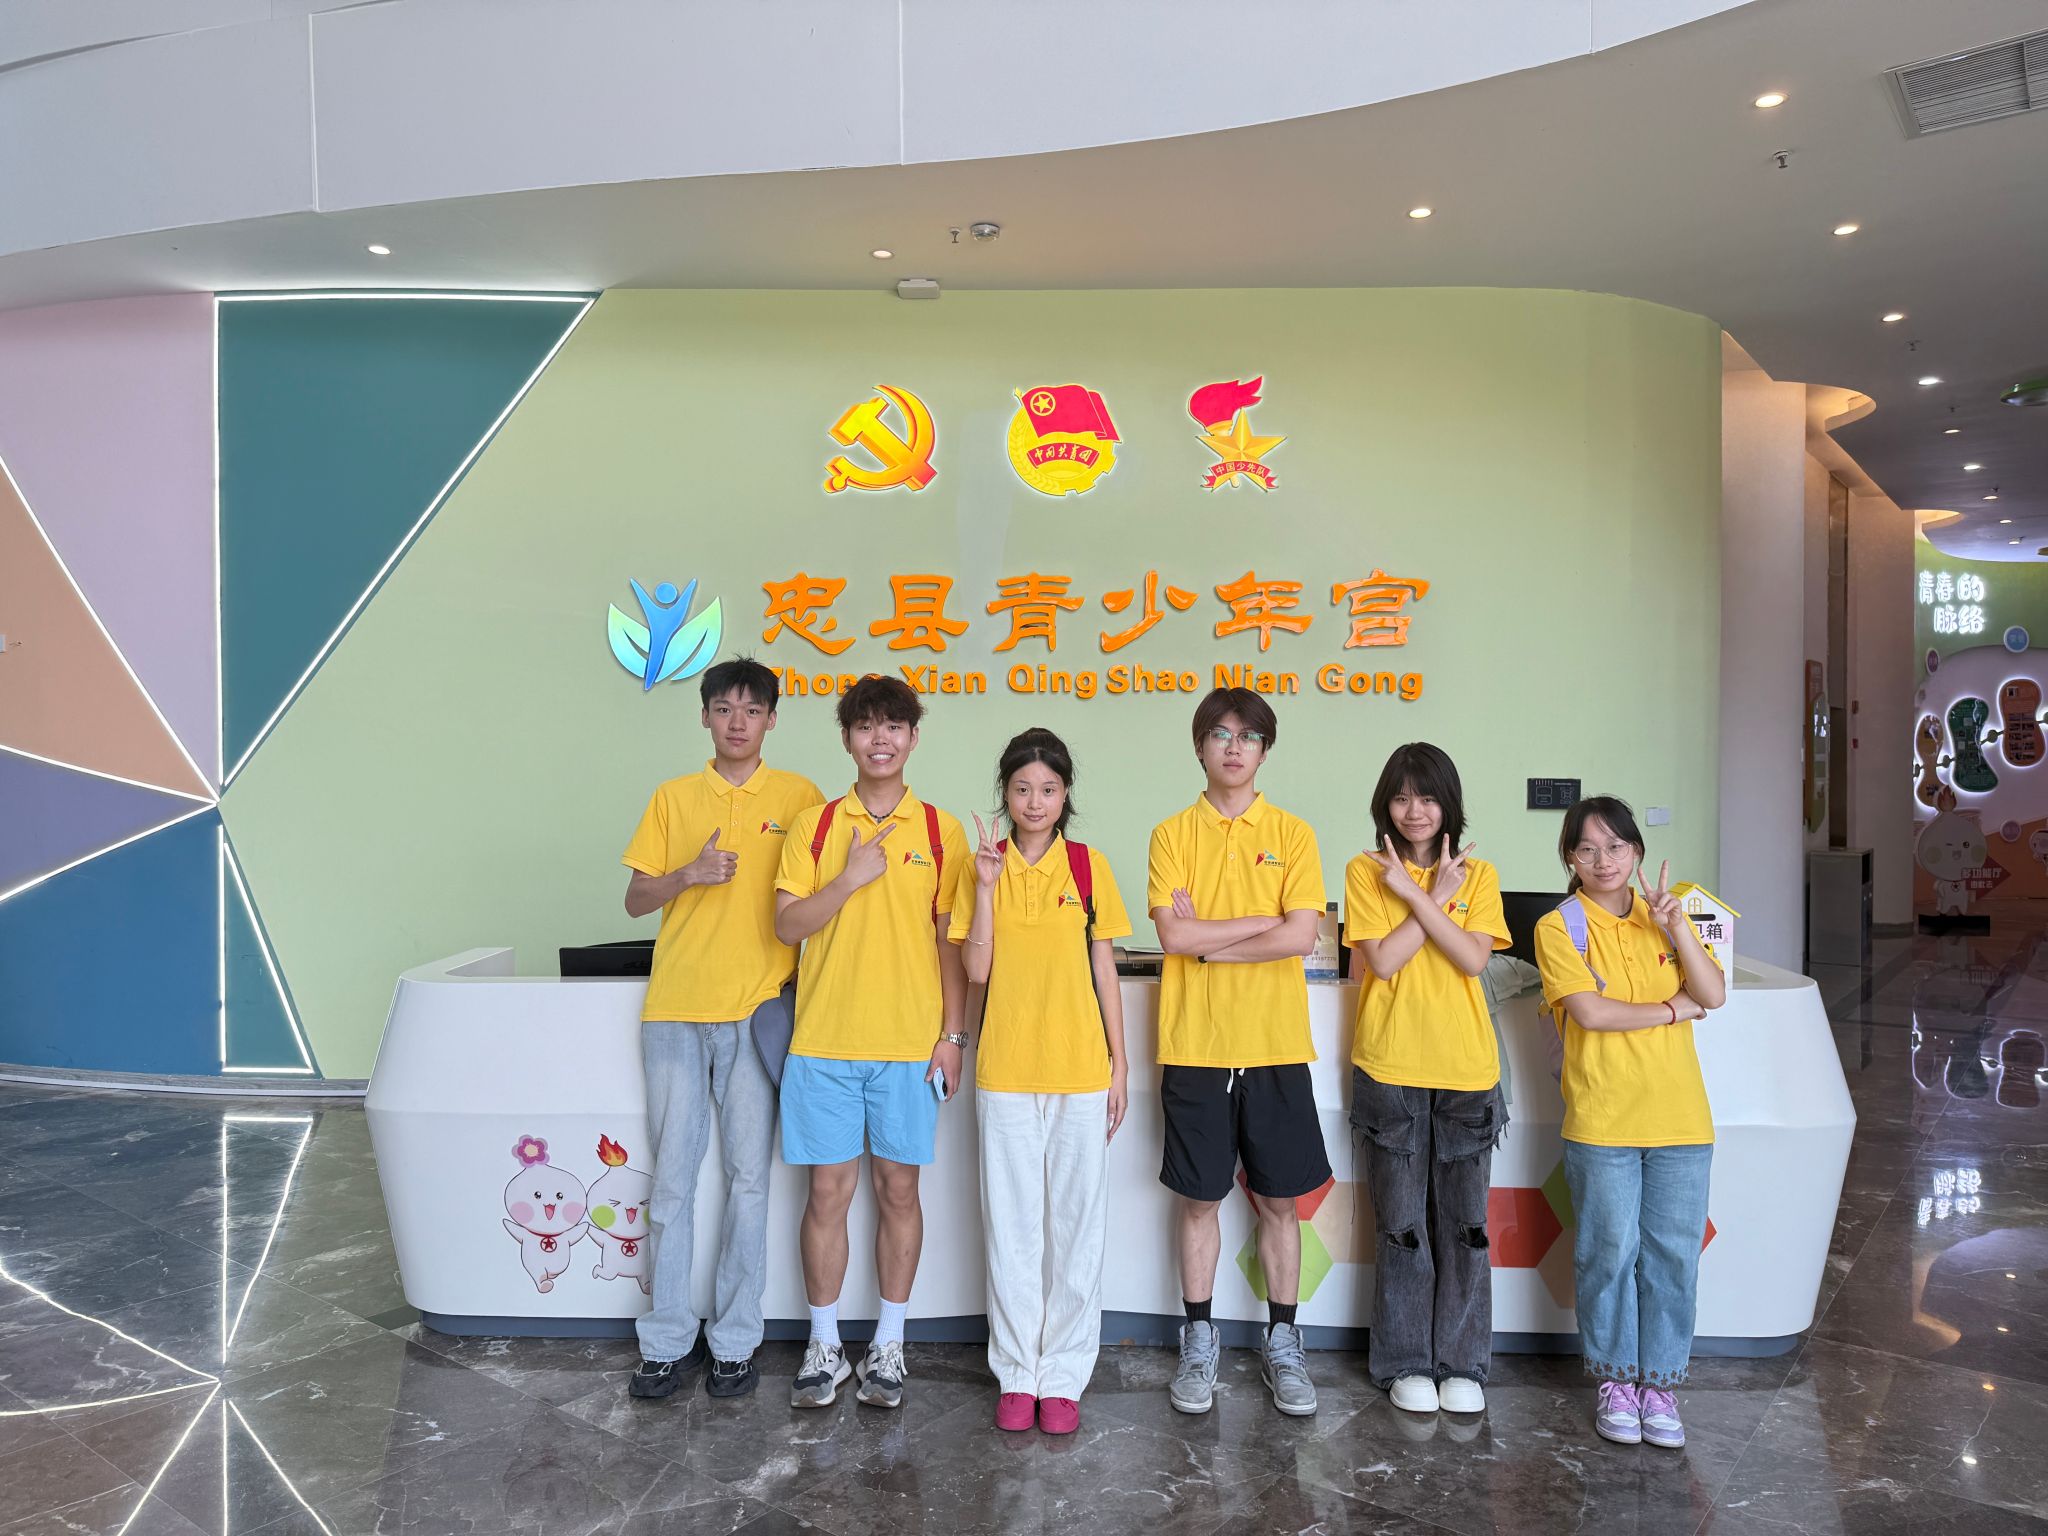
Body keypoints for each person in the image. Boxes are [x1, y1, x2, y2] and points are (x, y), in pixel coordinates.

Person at [620, 657, 823, 1401]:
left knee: (749, 1182)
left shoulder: (801, 799)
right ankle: (665, 1341)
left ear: (772, 719)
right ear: (704, 716)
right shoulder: (673, 798)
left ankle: (735, 1342)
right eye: (724, 708)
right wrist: (688, 875)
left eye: (752, 709)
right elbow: (636, 898)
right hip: (676, 1010)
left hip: (758, 1012)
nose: (738, 722)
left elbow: (822, 900)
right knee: (672, 1184)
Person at [773, 675, 970, 1411]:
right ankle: (824, 1345)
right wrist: (849, 879)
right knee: (827, 1193)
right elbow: (787, 926)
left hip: (909, 1047)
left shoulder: (941, 831)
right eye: (865, 726)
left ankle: (889, 1344)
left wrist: (952, 1036)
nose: (879, 739)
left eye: (893, 726)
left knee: (899, 1191)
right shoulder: (817, 825)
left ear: (913, 737)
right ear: (847, 738)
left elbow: (951, 946)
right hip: (823, 1042)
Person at [1147, 687, 1329, 1418]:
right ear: (1199, 746)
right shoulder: (1170, 834)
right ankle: (1198, 1338)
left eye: (1248, 736)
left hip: (1275, 1045)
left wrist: (1211, 943)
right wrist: (1260, 921)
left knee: (1280, 1201)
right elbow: (1172, 936)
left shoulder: (1293, 833)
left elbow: (1301, 935)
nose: (1233, 746)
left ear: (1264, 750)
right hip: (1195, 1046)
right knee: (1200, 1199)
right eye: (1220, 734)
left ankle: (1284, 1342)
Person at [1532, 795, 1726, 1450]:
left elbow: (1713, 994)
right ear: (1570, 858)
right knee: (1608, 1254)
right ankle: (1616, 1381)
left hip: (1681, 1120)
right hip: (1602, 1120)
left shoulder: (1668, 913)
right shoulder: (1559, 927)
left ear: (1637, 851)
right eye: (1587, 849)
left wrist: (1676, 928)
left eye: (1616, 846)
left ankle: (1660, 1385)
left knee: (1673, 1257)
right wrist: (1673, 1011)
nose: (1603, 860)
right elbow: (1592, 1014)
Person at [953, 728, 1132, 1435]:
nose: (1035, 801)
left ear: (1065, 796)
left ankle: (1062, 1376)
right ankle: (1016, 1373)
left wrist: (1120, 1064)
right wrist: (986, 888)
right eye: (1023, 789)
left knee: (1077, 1228)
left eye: (1049, 789)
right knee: (1013, 1229)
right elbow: (976, 970)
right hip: (1005, 1072)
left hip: (1080, 1072)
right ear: (1006, 793)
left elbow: (1105, 971)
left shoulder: (1087, 867)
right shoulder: (984, 868)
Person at [1344, 742, 1509, 1416]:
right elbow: (1383, 961)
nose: (1415, 810)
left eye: (1428, 796)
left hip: (1466, 1070)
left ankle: (1462, 1363)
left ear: (1449, 805)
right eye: (1402, 796)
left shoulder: (1480, 874)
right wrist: (1432, 898)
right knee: (1402, 1227)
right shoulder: (1364, 871)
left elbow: (1471, 958)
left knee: (1467, 1226)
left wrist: (1417, 895)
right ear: (1385, 803)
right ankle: (1406, 1361)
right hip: (1390, 1066)